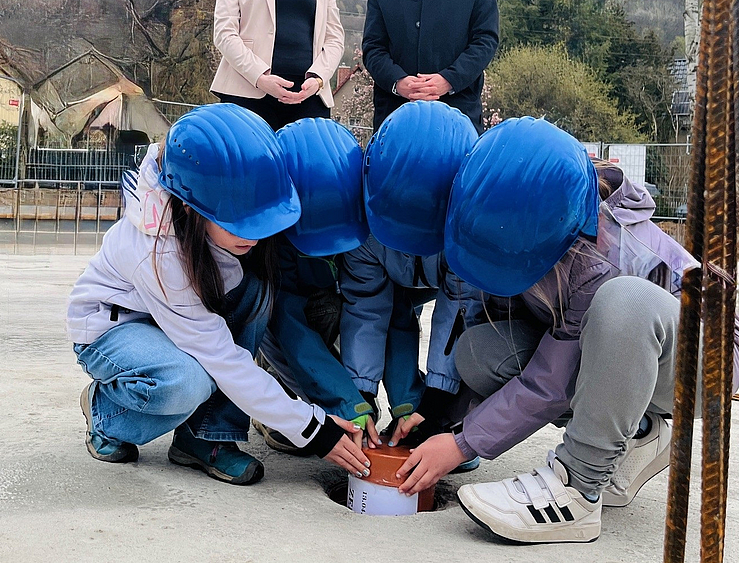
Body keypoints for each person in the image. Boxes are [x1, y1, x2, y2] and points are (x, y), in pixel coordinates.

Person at [392, 116, 700, 544]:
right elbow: (510, 338)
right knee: (480, 354)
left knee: (624, 300)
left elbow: (551, 383)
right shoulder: (528, 225)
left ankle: (577, 488)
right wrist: (442, 419)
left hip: (695, 364)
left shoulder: (597, 257)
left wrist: (461, 447)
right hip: (619, 360)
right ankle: (641, 432)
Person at [66, 104, 371, 486]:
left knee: (257, 293)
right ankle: (105, 414)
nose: (254, 235)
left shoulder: (219, 208)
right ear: (191, 206)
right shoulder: (157, 254)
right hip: (115, 327)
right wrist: (313, 428)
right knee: (188, 381)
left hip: (177, 324)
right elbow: (223, 359)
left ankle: (206, 437)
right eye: (239, 222)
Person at [339, 101, 485, 457]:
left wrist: (436, 406)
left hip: (448, 278)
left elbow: (459, 312)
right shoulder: (366, 228)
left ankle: (446, 425)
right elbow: (366, 309)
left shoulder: (470, 230)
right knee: (384, 316)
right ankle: (395, 405)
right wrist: (359, 395)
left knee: (476, 349)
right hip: (388, 274)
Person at [254, 117, 381, 452]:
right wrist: (343, 400)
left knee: (345, 309)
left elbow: (375, 312)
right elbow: (290, 326)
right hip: (295, 324)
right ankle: (280, 393)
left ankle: (340, 397)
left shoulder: (369, 228)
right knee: (315, 312)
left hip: (334, 313)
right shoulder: (273, 243)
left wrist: (360, 397)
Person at [361, 0, 498, 133]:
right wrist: (397, 82)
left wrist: (449, 79)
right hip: (394, 121)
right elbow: (373, 48)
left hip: (459, 119)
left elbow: (485, 41)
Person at [211, 0, 345, 131]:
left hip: (310, 98)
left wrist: (318, 79)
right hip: (247, 92)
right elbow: (224, 33)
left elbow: (335, 40)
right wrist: (259, 77)